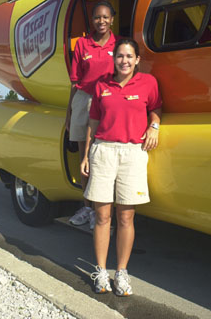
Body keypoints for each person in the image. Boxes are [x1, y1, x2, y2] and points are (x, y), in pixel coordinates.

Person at [81, 38, 162, 296]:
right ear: (114, 59)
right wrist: (85, 156)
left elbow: (157, 108)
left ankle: (122, 272)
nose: (124, 61)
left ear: (137, 60)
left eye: (129, 56)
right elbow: (93, 121)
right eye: (120, 56)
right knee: (103, 216)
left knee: (126, 217)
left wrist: (154, 126)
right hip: (103, 151)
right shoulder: (101, 85)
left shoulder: (148, 83)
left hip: (132, 153)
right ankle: (101, 271)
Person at [66, 1, 120, 229]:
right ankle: (87, 208)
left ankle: (107, 210)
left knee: (106, 155)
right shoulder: (83, 44)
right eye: (97, 17)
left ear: (112, 20)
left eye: (105, 17)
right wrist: (69, 112)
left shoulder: (119, 45)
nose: (101, 21)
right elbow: (75, 81)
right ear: (93, 19)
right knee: (84, 156)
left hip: (108, 100)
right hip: (84, 99)